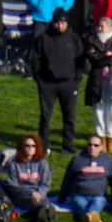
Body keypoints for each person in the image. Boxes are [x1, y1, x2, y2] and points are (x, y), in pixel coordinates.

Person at [30, 9, 83, 154]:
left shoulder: (74, 39)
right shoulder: (43, 38)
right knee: (46, 116)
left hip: (69, 83)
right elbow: (35, 59)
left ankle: (68, 145)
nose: (61, 26)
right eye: (58, 23)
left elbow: (81, 60)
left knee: (69, 116)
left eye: (63, 23)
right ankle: (43, 145)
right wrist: (39, 78)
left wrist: (77, 78)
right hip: (47, 83)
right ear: (53, 23)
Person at [84, 17, 112, 153]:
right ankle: (101, 140)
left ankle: (111, 140)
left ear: (110, 27)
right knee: (99, 110)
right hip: (97, 81)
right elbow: (91, 57)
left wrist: (100, 58)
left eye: (103, 26)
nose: (100, 29)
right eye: (99, 26)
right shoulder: (93, 41)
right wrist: (105, 55)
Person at [58, 134, 112, 222]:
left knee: (99, 203)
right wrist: (61, 198)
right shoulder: (77, 160)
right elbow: (67, 180)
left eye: (96, 145)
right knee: (80, 204)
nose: (92, 147)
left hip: (99, 196)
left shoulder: (108, 161)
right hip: (79, 195)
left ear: (101, 148)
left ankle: (88, 218)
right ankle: (94, 219)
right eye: (90, 145)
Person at [0, 134, 54, 222]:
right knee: (32, 201)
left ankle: (44, 213)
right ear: (22, 147)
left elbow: (46, 184)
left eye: (33, 146)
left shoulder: (43, 163)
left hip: (38, 193)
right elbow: (13, 186)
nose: (30, 148)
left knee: (42, 200)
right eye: (27, 146)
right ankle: (43, 213)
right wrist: (30, 193)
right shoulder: (14, 164)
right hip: (22, 194)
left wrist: (39, 193)